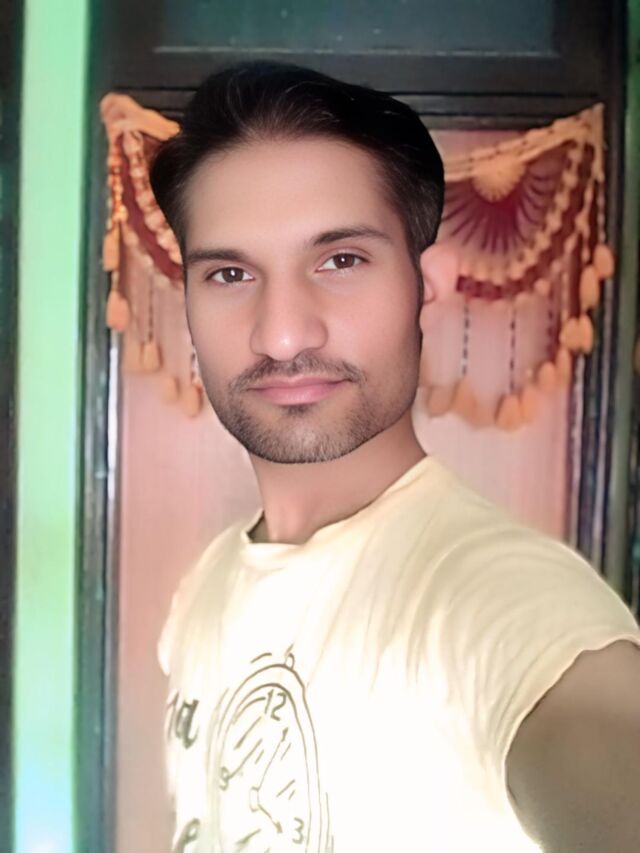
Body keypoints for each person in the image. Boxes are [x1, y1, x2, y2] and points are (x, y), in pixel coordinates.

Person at [149, 62, 640, 853]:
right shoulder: (201, 591)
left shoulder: (509, 605)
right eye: (231, 273)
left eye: (341, 260)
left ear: (426, 288)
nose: (283, 333)